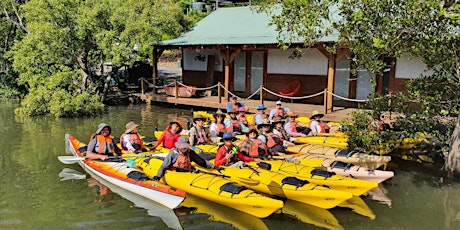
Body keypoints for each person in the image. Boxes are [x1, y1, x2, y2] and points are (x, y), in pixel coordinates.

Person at [153, 136, 217, 180]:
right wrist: (158, 176)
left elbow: (201, 161)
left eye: (186, 147)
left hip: (187, 173)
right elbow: (164, 166)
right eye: (183, 147)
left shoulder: (190, 153)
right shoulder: (173, 154)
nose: (185, 148)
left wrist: (213, 167)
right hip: (176, 174)